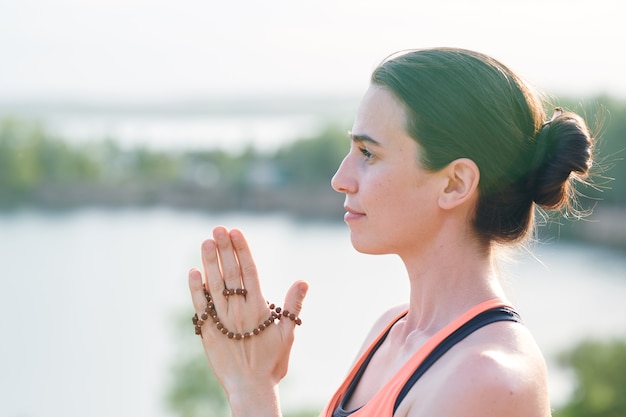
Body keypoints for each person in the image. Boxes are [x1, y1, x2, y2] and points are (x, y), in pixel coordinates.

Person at [188, 47, 596, 417]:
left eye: (368, 153)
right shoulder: (391, 330)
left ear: (455, 184)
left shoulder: (485, 381)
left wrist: (252, 390)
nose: (340, 178)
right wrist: (253, 381)